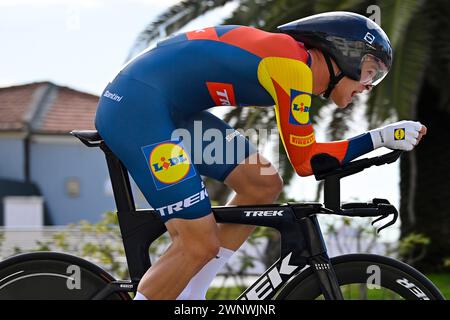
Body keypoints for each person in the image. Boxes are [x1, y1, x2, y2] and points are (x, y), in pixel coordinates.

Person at [94, 11, 427, 300]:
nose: (369, 86)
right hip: (136, 109)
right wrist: (381, 137)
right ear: (346, 55)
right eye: (370, 72)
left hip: (171, 111)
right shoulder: (292, 66)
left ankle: (192, 293)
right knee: (197, 244)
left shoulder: (295, 64)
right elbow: (307, 161)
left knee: (262, 184)